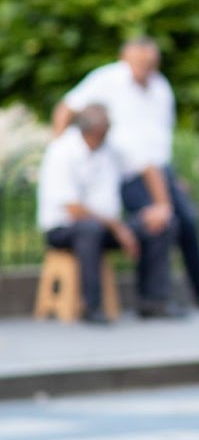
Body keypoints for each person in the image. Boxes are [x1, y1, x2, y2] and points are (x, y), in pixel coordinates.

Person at [53, 37, 199, 311]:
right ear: (126, 59)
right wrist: (62, 152)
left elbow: (161, 139)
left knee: (187, 222)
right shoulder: (107, 79)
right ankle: (153, 298)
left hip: (159, 170)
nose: (147, 68)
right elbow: (67, 107)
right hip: (129, 172)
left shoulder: (161, 87)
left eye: (151, 63)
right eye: (141, 63)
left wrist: (172, 179)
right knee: (157, 224)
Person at [37, 104, 179, 323]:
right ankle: (91, 306)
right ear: (89, 130)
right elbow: (74, 210)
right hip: (64, 229)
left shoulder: (110, 149)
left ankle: (153, 301)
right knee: (89, 229)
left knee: (157, 225)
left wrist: (161, 206)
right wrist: (118, 228)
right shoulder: (62, 151)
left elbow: (146, 165)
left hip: (107, 228)